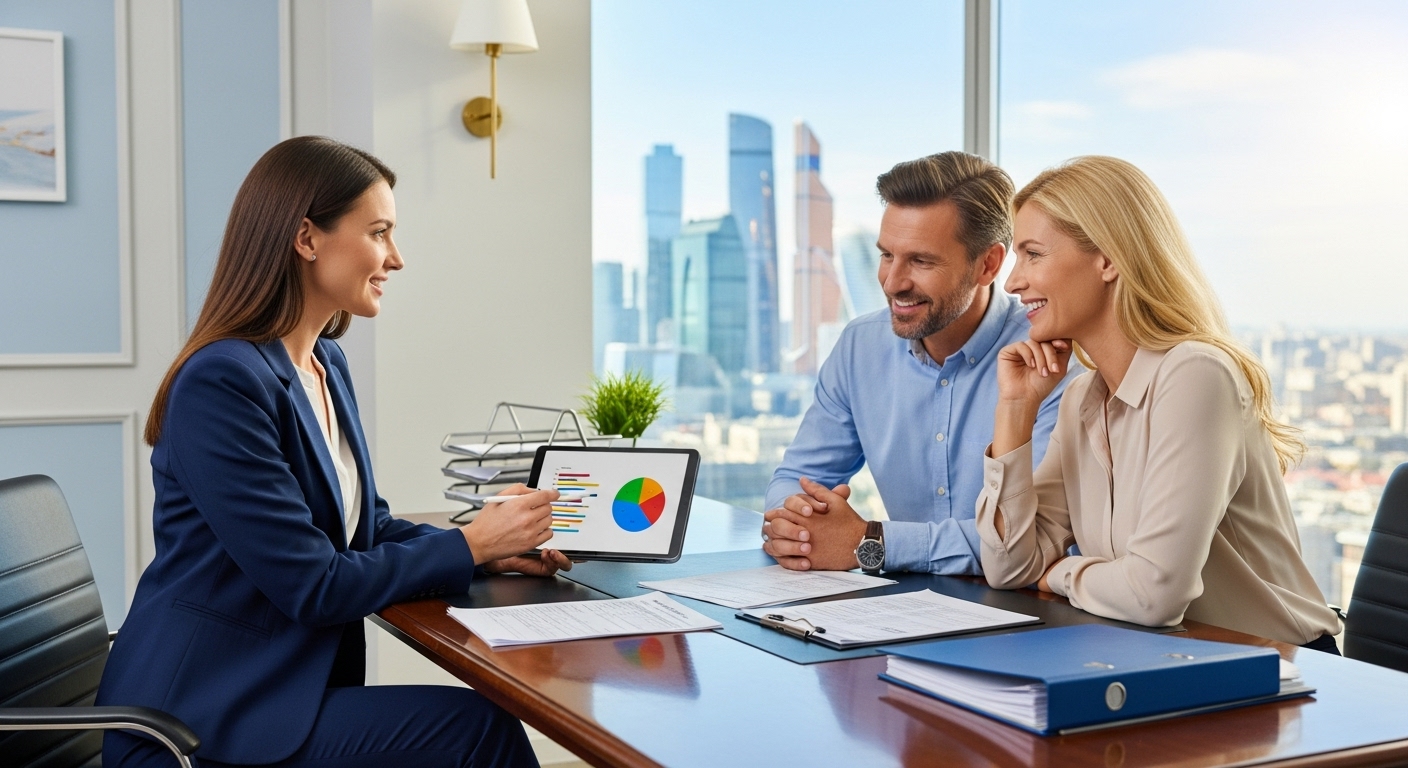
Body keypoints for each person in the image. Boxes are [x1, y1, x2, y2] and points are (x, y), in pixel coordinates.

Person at [97, 136, 562, 767]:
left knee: (477, 727)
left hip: (274, 691)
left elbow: (362, 531)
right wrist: (471, 545)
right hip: (197, 719)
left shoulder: (323, 363)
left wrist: (488, 551)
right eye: (379, 232)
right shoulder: (223, 381)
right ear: (307, 238)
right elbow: (314, 584)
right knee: (476, 733)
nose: (395, 258)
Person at [979, 155, 1342, 650]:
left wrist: (1063, 572)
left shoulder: (1195, 375)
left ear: (1107, 259)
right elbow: (1009, 567)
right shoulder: (1084, 397)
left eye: (1033, 254)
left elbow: (1155, 594)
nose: (1013, 282)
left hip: (1279, 669)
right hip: (1170, 659)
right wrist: (1015, 411)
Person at [761, 151, 1078, 575]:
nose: (893, 283)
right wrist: (799, 524)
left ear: (989, 264)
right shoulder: (860, 347)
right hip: (903, 611)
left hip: (1033, 619)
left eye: (921, 261)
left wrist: (869, 543)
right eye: (887, 255)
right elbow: (794, 479)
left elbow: (1024, 540)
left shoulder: (1051, 360)